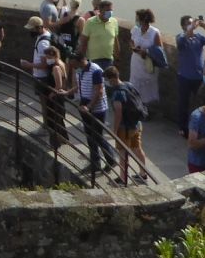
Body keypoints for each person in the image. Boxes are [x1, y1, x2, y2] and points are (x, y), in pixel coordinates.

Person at [70, 51, 114, 181]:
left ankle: (110, 160)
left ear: (78, 60)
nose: (71, 65)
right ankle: (95, 163)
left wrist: (88, 107)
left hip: (96, 109)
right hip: (86, 106)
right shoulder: (81, 70)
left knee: (98, 136)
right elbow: (79, 87)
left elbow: (99, 92)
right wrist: (67, 92)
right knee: (90, 136)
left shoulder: (95, 70)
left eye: (72, 62)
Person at [105, 66, 149, 184]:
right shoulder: (129, 85)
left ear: (111, 79)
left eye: (107, 80)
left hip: (124, 128)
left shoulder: (117, 93)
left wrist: (114, 130)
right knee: (138, 149)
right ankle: (143, 174)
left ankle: (123, 178)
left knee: (122, 152)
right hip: (136, 124)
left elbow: (118, 113)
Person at [175, 15, 205, 135]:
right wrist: (191, 28)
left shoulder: (199, 38)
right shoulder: (181, 37)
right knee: (184, 103)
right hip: (184, 77)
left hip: (199, 77)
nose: (192, 24)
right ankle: (183, 128)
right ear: (183, 26)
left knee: (202, 103)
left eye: (192, 22)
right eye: (189, 23)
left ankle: (202, 126)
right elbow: (181, 42)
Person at [125, 9, 164, 118]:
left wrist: (146, 52)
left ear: (143, 20)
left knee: (147, 87)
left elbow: (159, 51)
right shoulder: (135, 29)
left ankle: (146, 111)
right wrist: (133, 48)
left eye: (137, 18)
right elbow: (131, 41)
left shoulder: (154, 33)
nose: (136, 20)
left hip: (148, 64)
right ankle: (136, 109)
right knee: (135, 85)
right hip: (136, 63)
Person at [79, 0, 119, 72]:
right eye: (107, 10)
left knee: (107, 82)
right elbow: (84, 41)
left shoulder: (114, 22)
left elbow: (115, 39)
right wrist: (82, 59)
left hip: (109, 60)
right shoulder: (90, 22)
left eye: (111, 10)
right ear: (100, 10)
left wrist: (117, 58)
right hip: (94, 61)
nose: (110, 12)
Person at [41, 45, 68, 150]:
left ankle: (55, 144)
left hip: (55, 97)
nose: (46, 59)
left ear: (52, 55)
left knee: (53, 119)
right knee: (59, 118)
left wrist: (52, 94)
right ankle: (63, 139)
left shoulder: (56, 67)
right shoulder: (61, 63)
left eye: (47, 57)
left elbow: (58, 85)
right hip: (59, 97)